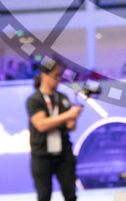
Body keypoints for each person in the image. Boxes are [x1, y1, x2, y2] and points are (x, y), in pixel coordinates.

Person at [27, 59, 83, 201]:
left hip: (63, 153)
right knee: (44, 195)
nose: (58, 80)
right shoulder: (35, 100)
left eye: (60, 76)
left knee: (70, 194)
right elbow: (41, 125)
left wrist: (75, 115)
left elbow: (71, 126)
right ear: (44, 75)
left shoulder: (63, 98)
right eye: (56, 75)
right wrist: (67, 115)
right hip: (42, 155)